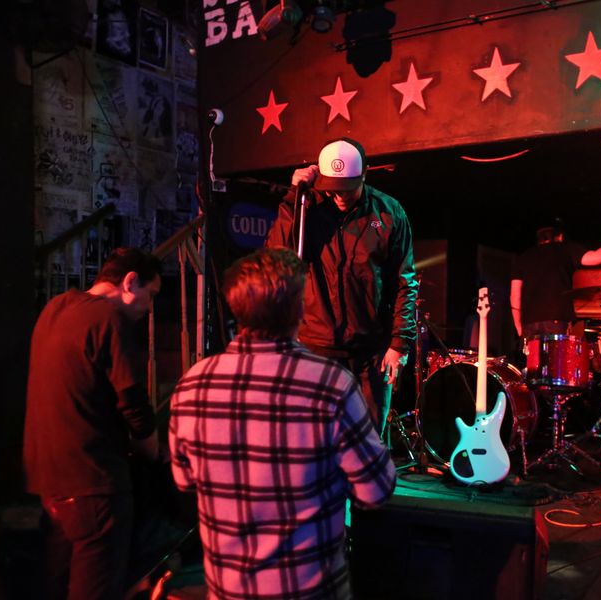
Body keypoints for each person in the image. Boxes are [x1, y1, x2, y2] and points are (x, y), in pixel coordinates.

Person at [169, 247, 396, 599]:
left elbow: (184, 480)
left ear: (236, 307)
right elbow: (375, 490)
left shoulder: (192, 386)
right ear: (299, 310)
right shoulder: (331, 385)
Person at [23, 247, 162, 600]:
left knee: (57, 587)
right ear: (130, 282)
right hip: (94, 482)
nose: (149, 308)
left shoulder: (55, 308)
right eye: (151, 294)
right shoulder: (109, 319)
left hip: (50, 482)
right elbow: (134, 406)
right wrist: (154, 451)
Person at [266, 138, 418, 434]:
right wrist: (294, 197)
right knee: (314, 440)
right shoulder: (306, 206)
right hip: (315, 348)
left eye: (349, 188)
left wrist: (399, 344)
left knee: (369, 441)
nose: (341, 196)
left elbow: (404, 281)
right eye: (333, 188)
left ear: (365, 174)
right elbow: (276, 257)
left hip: (371, 353)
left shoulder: (388, 213)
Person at [510, 221, 601, 338]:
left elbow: (515, 295)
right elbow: (597, 257)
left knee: (533, 361)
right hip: (557, 317)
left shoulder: (523, 257)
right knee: (557, 360)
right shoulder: (564, 248)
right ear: (560, 237)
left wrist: (518, 326)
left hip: (528, 322)